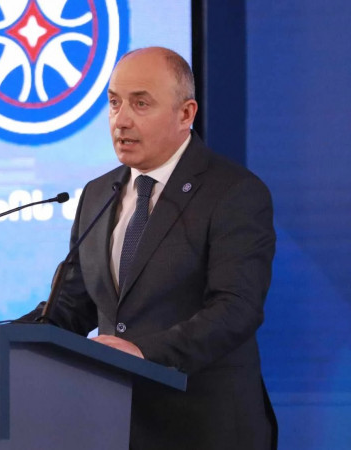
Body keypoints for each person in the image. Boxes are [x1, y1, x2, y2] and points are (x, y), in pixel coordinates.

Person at [24, 47, 278, 449]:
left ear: (186, 114)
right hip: (113, 427)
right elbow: (72, 308)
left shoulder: (234, 193)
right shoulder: (98, 194)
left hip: (204, 429)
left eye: (140, 104)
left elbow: (235, 309)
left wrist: (142, 352)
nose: (121, 120)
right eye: (114, 103)